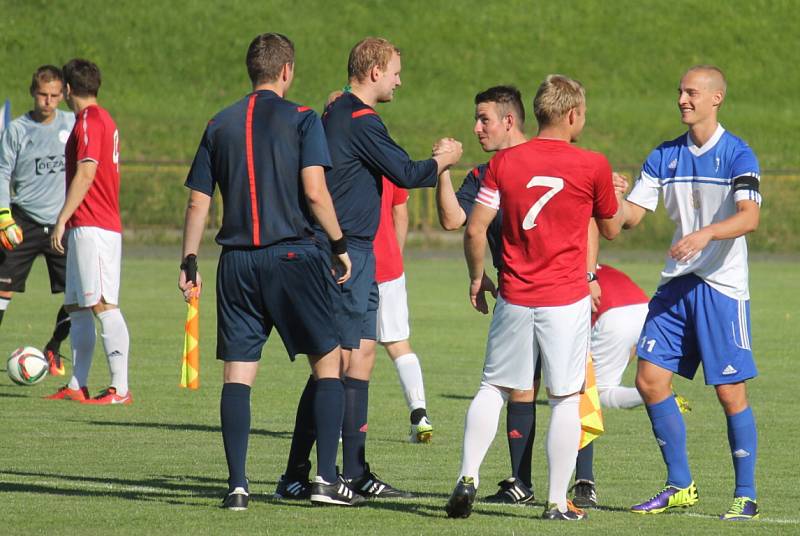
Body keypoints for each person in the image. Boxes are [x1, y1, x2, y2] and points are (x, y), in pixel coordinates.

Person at [179, 33, 361, 510]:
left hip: (236, 263)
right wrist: (340, 245)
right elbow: (316, 192)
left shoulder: (218, 124)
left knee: (237, 376)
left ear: (251, 71)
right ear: (287, 71)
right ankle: (323, 479)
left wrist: (190, 259)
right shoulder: (302, 118)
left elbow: (199, 199)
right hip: (292, 257)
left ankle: (238, 486)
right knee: (330, 363)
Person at [274, 36, 462, 501]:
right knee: (332, 364)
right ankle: (306, 475)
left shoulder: (340, 113)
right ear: (375, 71)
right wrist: (444, 161)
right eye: (395, 70)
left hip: (359, 254)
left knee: (358, 357)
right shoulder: (359, 119)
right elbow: (408, 172)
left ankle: (353, 472)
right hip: (344, 255)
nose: (400, 79)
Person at [447, 74, 624, 521]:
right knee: (565, 398)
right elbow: (611, 227)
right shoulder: (592, 164)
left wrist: (476, 277)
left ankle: (468, 475)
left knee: (494, 387)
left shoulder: (504, 164)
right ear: (572, 115)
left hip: (514, 293)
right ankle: (554, 501)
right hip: (565, 299)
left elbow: (473, 228)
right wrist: (616, 194)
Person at [623, 65, 761, 521]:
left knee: (729, 393)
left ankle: (746, 494)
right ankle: (679, 484)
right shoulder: (664, 156)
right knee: (649, 380)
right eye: (680, 91)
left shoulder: (739, 154)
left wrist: (705, 235)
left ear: (716, 98)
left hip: (721, 287)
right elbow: (629, 218)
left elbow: (748, 218)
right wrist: (608, 197)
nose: (683, 99)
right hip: (676, 284)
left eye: (691, 92)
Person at [437, 85, 539, 504]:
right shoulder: (482, 175)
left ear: (509, 121)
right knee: (539, 389)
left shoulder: (548, 160)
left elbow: (471, 229)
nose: (478, 129)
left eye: (485, 120)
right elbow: (453, 219)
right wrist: (441, 170)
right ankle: (526, 485)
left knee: (511, 386)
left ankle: (577, 485)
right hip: (542, 293)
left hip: (538, 293)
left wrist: (477, 278)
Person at [46, 59, 132, 405]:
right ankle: (77, 384)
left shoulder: (90, 120)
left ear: (68, 89)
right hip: (88, 224)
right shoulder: (98, 118)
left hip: (95, 224)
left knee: (103, 304)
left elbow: (86, 172)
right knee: (78, 305)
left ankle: (120, 389)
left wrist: (62, 218)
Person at [0, 65, 75, 376]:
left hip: (62, 223)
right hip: (23, 221)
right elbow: (3, 173)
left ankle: (54, 347)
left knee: (77, 296)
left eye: (54, 95)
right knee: (2, 291)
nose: (48, 101)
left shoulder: (72, 123)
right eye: (43, 94)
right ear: (33, 93)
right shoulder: (17, 129)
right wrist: (3, 215)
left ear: (64, 95)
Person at [570, 263, 650, 508]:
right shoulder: (596, 263)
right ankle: (654, 393)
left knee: (595, 394)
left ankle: (651, 396)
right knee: (600, 385)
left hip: (612, 316)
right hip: (644, 309)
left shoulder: (569, 265)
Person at [373, 176, 433, 443]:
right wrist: (393, 257)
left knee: (344, 351)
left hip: (348, 266)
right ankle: (419, 414)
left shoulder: (337, 154)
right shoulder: (388, 162)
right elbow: (401, 215)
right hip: (389, 268)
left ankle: (340, 427)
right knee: (398, 344)